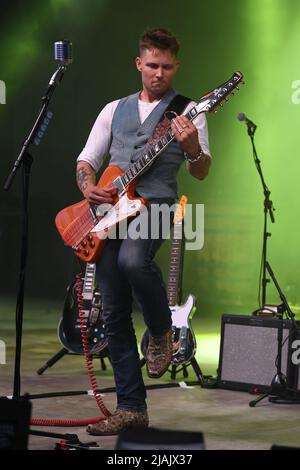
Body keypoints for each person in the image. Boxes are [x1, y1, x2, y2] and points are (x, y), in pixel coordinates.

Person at [76, 28, 211, 435]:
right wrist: (88, 186)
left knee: (135, 261)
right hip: (109, 210)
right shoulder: (112, 109)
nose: (159, 73)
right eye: (152, 65)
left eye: (167, 66)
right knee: (114, 310)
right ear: (139, 64)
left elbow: (201, 171)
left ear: (176, 66)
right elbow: (86, 160)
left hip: (155, 203)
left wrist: (191, 149)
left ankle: (160, 329)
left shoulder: (191, 111)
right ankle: (132, 407)